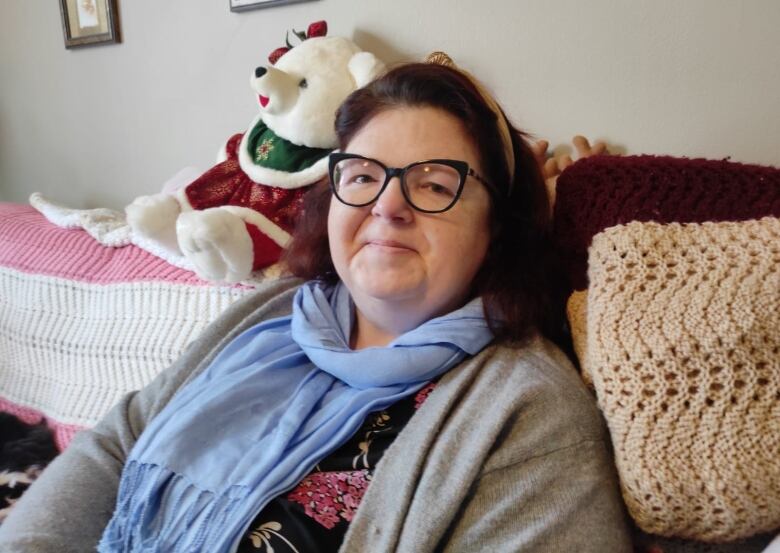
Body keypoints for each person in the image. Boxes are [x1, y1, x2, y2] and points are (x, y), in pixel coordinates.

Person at [0, 58, 632, 552]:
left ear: (498, 226)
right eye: (361, 176)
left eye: (435, 184)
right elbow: (118, 443)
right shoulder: (273, 309)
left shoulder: (529, 412)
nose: (388, 205)